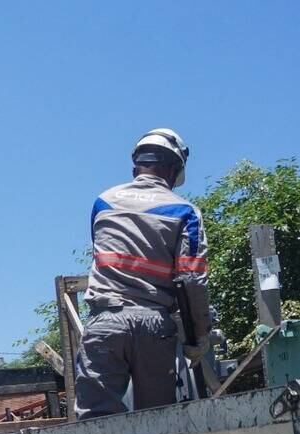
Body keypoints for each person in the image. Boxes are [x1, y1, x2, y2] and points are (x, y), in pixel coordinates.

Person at [76, 128, 210, 419]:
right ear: (174, 170)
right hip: (154, 325)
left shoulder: (103, 202)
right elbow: (192, 279)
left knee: (95, 425)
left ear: (135, 166)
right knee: (156, 424)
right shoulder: (185, 211)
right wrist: (198, 337)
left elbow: (101, 252)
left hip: (105, 322)